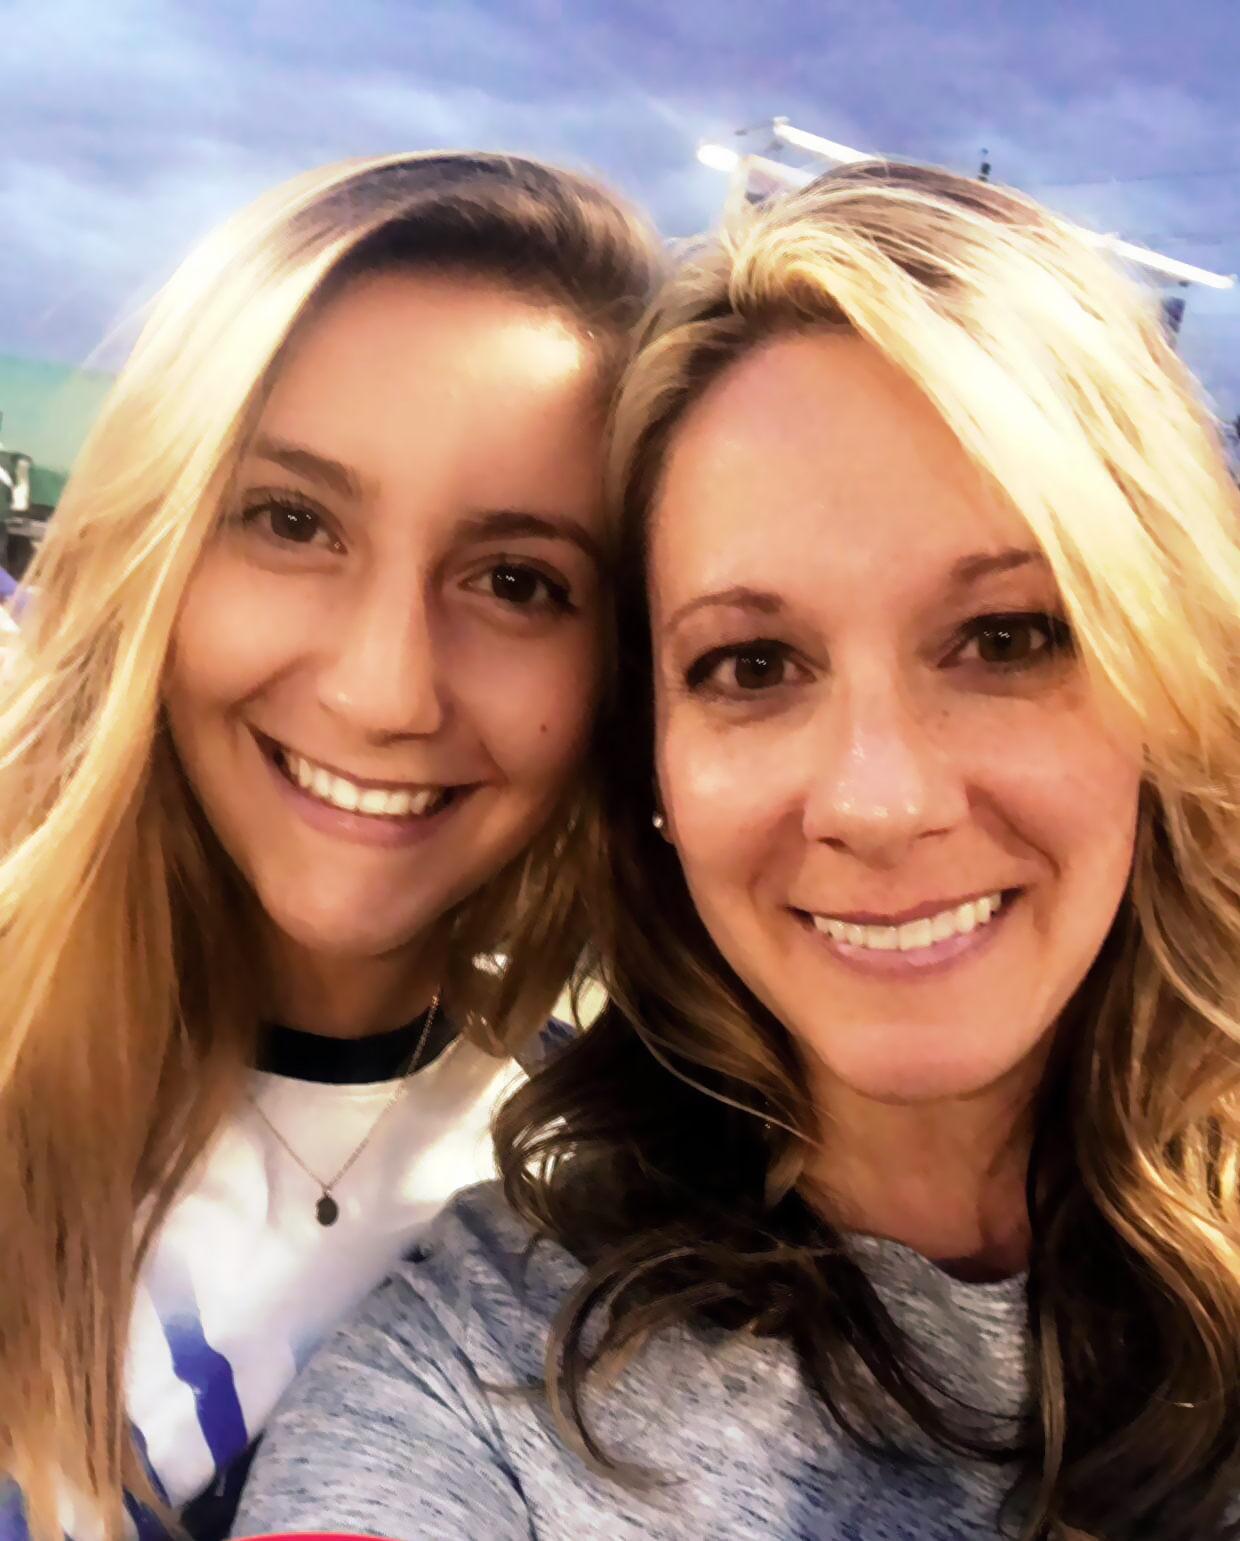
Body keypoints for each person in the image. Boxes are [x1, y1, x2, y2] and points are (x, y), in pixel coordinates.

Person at [235, 163, 1240, 1541]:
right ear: (649, 758)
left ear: (1170, 677)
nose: (880, 802)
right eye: (751, 663)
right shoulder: (476, 1375)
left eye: (1008, 638)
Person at [0, 151, 658, 1541]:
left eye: (518, 582)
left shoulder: (596, 1201)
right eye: (292, 522)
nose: (383, 690)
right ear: (156, 549)